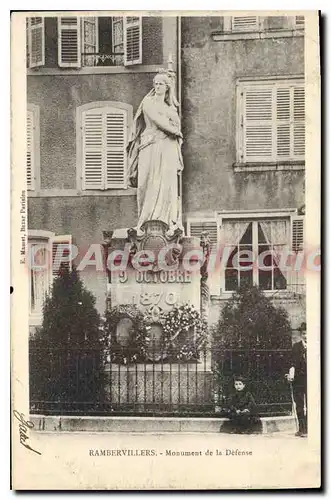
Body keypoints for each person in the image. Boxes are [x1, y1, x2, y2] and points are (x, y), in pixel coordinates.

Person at [127, 70, 184, 237]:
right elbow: (158, 121)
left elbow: (177, 123)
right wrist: (175, 131)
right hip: (150, 146)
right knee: (148, 183)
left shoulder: (170, 108)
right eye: (156, 83)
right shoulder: (148, 102)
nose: (157, 86)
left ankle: (167, 220)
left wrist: (175, 129)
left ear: (167, 87)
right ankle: (145, 220)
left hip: (167, 147)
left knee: (166, 184)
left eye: (161, 84)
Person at [286, 322, 307, 437]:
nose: (306, 336)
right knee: (299, 404)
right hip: (299, 380)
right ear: (300, 334)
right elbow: (292, 363)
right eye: (304, 333)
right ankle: (302, 429)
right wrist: (291, 375)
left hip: (312, 380)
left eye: (308, 333)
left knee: (312, 404)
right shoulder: (296, 347)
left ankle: (310, 428)